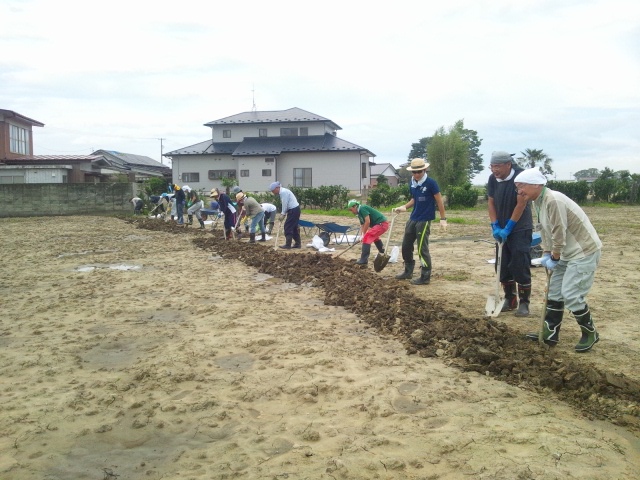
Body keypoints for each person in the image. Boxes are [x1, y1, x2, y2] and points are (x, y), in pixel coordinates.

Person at [514, 168, 602, 353]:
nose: (519, 191)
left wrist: (554, 255)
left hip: (582, 251)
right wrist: (547, 252)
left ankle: (590, 333)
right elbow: (544, 229)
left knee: (571, 293)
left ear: (536, 185)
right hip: (563, 253)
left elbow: (558, 230)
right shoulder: (537, 201)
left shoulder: (553, 200)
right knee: (553, 292)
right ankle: (550, 333)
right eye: (517, 187)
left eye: (522, 186)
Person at [487, 151, 534, 317]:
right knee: (502, 264)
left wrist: (509, 227)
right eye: (492, 166)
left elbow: (521, 204)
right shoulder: (493, 179)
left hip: (520, 227)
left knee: (520, 263)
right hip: (501, 228)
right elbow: (491, 202)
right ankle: (510, 298)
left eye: (497, 166)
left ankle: (524, 302)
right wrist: (495, 225)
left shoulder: (520, 177)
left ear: (508, 164)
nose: (494, 170)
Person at [392, 158, 447, 285]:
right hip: (413, 217)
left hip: (425, 219)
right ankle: (408, 271)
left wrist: (443, 218)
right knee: (406, 245)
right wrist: (405, 207)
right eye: (414, 172)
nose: (416, 174)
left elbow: (439, 201)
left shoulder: (431, 183)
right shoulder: (412, 183)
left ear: (424, 170)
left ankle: (425, 276)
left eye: (419, 172)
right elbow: (414, 199)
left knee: (422, 248)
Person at [346, 199, 388, 266]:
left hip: (381, 224)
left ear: (355, 206)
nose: (351, 212)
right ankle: (383, 253)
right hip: (378, 225)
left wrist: (364, 235)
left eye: (351, 210)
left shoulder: (362, 208)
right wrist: (361, 236)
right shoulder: (359, 214)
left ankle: (363, 260)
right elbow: (362, 225)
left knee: (367, 237)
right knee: (375, 238)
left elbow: (367, 222)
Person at [269, 181, 301, 249]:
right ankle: (298, 244)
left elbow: (285, 204)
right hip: (295, 210)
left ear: (277, 188)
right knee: (294, 227)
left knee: (288, 227)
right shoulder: (283, 191)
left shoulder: (283, 192)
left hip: (293, 210)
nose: (273, 193)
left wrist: (283, 214)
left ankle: (288, 245)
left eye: (273, 191)